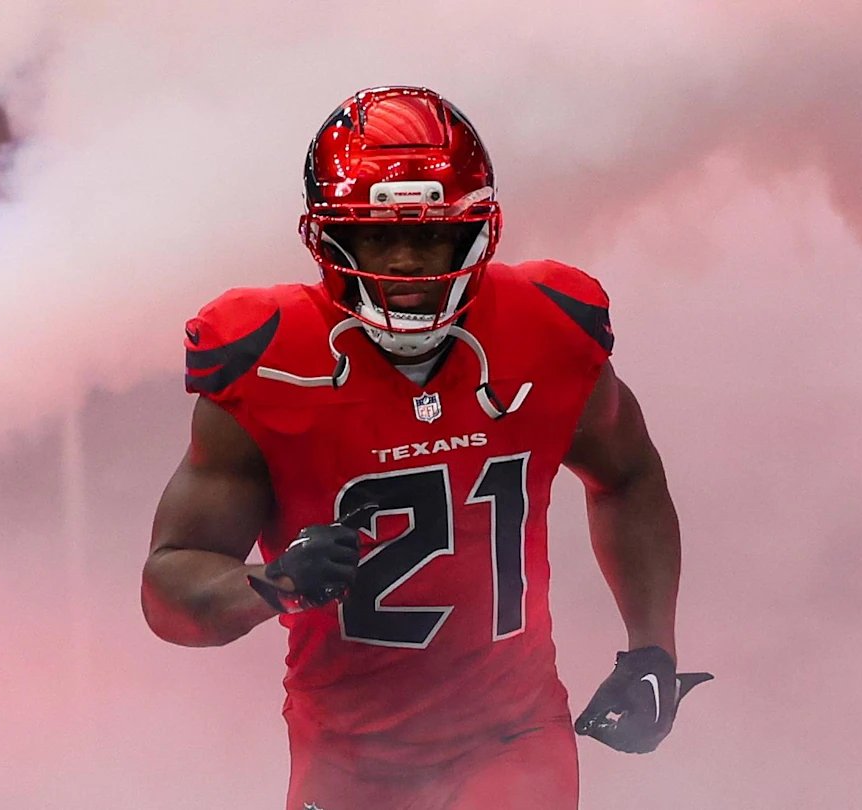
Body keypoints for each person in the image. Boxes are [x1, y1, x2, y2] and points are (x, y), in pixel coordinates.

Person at [141, 86, 710, 810]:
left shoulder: (548, 330)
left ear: (476, 231)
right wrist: (273, 584)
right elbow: (168, 585)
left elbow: (627, 476)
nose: (407, 263)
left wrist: (652, 647)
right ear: (330, 238)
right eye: (379, 235)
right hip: (346, 752)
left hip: (511, 735)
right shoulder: (269, 359)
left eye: (431, 233)